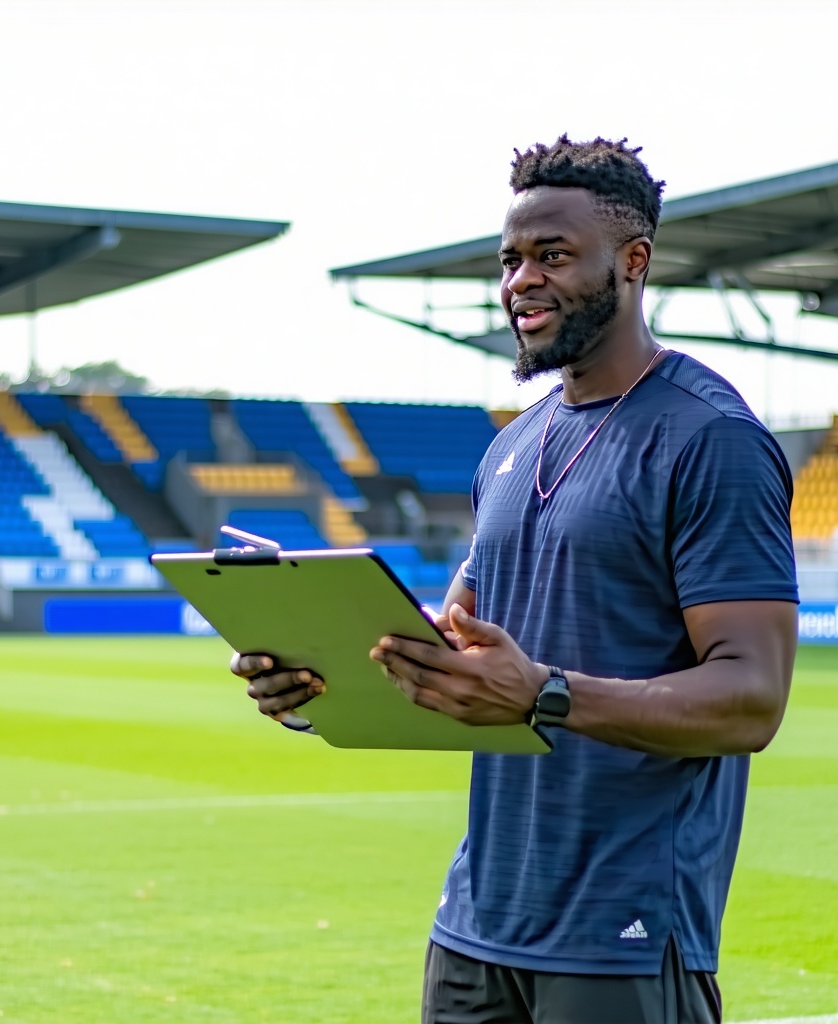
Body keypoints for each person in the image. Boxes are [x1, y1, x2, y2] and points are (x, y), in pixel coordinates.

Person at [231, 135, 799, 1024]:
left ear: (633, 262)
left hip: (625, 935)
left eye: (553, 256)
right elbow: (464, 654)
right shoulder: (510, 446)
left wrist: (548, 694)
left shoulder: (709, 437)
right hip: (476, 927)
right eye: (509, 260)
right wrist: (320, 677)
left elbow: (751, 700)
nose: (520, 282)